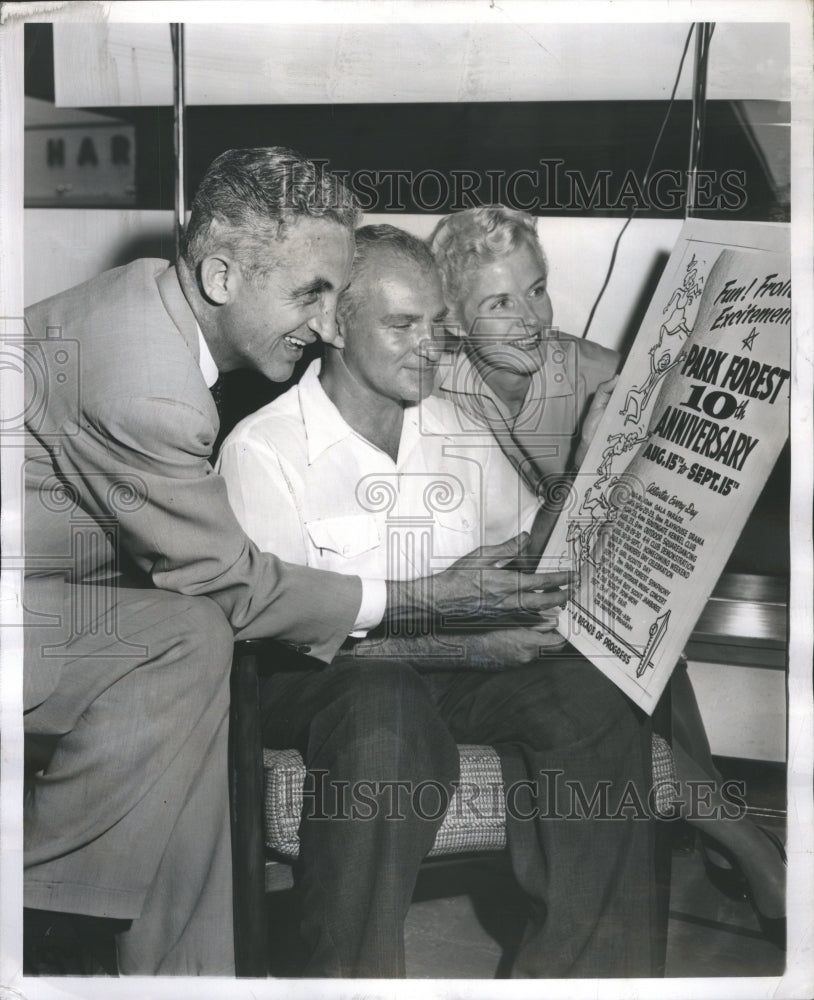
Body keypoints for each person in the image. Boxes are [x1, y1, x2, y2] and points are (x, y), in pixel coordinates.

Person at [22, 151, 558, 977]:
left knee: (191, 650)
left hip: (47, 594)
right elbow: (234, 584)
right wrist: (426, 598)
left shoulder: (147, 302)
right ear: (222, 274)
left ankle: (171, 972)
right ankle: (42, 905)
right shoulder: (148, 384)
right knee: (194, 632)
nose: (324, 321)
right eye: (309, 293)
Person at [217, 224, 658, 979]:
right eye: (401, 325)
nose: (430, 347)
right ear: (331, 324)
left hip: (443, 671)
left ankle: (584, 980)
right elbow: (277, 637)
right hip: (313, 681)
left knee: (591, 690)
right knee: (383, 704)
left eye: (436, 325)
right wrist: (461, 642)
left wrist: (588, 467)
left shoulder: (455, 427)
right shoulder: (264, 451)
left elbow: (531, 558)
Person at [428, 205, 786, 933]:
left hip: (593, 577)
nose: (531, 318)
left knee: (643, 640)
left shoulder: (594, 371)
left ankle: (739, 844)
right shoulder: (429, 392)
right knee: (610, 656)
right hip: (497, 594)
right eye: (500, 302)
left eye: (538, 288)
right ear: (455, 323)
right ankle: (747, 846)